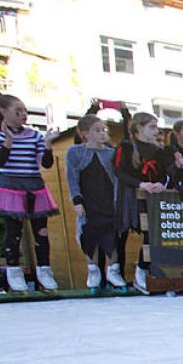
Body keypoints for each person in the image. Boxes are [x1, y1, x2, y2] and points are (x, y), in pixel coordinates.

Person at [0, 93, 62, 292]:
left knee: (41, 233)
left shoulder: (34, 134)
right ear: (3, 112)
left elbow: (46, 163)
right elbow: (0, 160)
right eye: (18, 111)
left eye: (25, 111)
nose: (24, 115)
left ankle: (45, 271)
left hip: (35, 186)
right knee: (14, 233)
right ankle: (14, 272)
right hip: (10, 187)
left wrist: (47, 144)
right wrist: (8, 140)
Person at [66, 114, 126, 291]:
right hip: (89, 201)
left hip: (108, 201)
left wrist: (117, 202)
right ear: (85, 133)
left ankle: (113, 272)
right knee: (90, 236)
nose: (101, 133)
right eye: (97, 130)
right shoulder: (75, 152)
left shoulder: (111, 153)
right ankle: (93, 272)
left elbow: (117, 177)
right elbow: (72, 177)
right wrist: (77, 200)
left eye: (103, 130)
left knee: (112, 238)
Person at [114, 111, 167, 293]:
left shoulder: (156, 150)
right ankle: (115, 273)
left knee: (150, 234)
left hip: (149, 197)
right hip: (129, 196)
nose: (156, 131)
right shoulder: (127, 146)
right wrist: (140, 183)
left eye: (156, 127)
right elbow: (119, 171)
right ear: (139, 128)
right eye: (151, 127)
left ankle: (142, 270)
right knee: (122, 234)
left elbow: (163, 173)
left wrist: (160, 183)